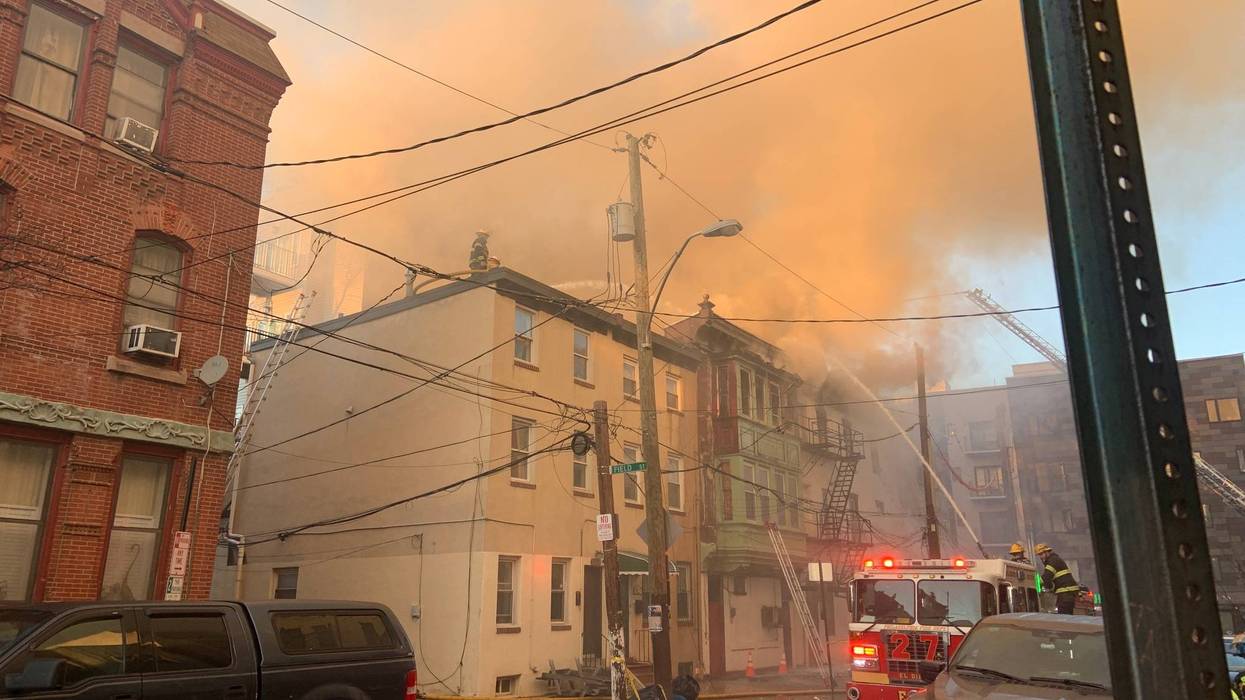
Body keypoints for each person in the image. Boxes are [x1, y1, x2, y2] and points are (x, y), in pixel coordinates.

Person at [1035, 543, 1080, 614]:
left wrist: (1035, 584)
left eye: (1041, 554)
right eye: (1039, 555)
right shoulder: (1054, 559)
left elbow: (1046, 577)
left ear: (1047, 552)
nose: (1040, 557)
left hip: (1066, 591)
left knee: (1064, 616)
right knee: (1066, 615)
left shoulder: (1053, 561)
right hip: (1067, 592)